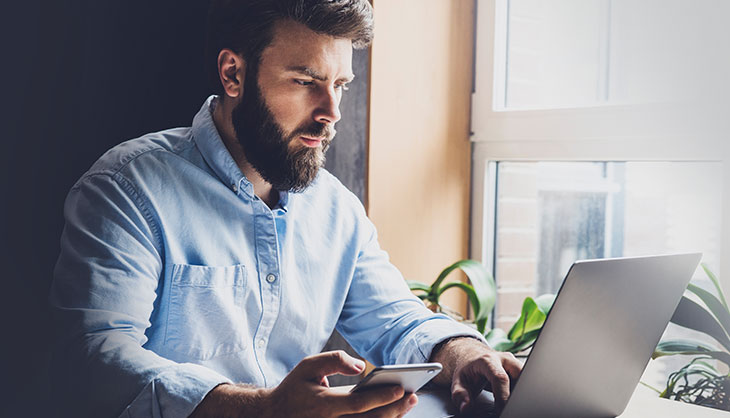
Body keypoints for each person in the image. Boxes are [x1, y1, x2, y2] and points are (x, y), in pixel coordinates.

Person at [50, 1, 522, 417]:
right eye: (305, 81)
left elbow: (396, 319)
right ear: (233, 73)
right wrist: (264, 410)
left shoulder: (336, 210)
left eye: (341, 84)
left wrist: (461, 352)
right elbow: (94, 358)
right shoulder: (126, 188)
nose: (331, 110)